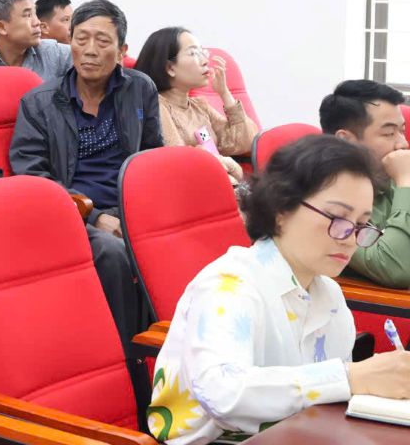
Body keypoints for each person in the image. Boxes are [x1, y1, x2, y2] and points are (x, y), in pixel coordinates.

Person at [148, 135, 410, 445]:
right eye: (338, 218)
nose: (351, 239)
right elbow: (223, 394)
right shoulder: (229, 286)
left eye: (362, 224)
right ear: (281, 210)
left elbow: (326, 404)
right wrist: (349, 377)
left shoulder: (329, 294)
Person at [10, 0, 161, 345]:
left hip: (131, 207)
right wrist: (93, 217)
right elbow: (32, 178)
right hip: (74, 215)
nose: (90, 50)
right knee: (112, 253)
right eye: (81, 39)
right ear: (70, 42)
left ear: (122, 51)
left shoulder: (140, 88)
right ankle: (128, 353)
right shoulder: (39, 102)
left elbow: (152, 156)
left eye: (102, 41)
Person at [134, 27, 259, 183]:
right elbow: (180, 161)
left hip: (221, 183)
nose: (205, 61)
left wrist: (224, 93)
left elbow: (245, 142)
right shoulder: (157, 106)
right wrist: (229, 165)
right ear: (170, 68)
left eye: (202, 52)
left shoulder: (199, 106)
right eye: (194, 53)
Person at [320, 80, 410, 288]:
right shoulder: (325, 199)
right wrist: (406, 183)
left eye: (402, 131)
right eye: (389, 133)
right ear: (345, 140)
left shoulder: (386, 176)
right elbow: (394, 268)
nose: (403, 144)